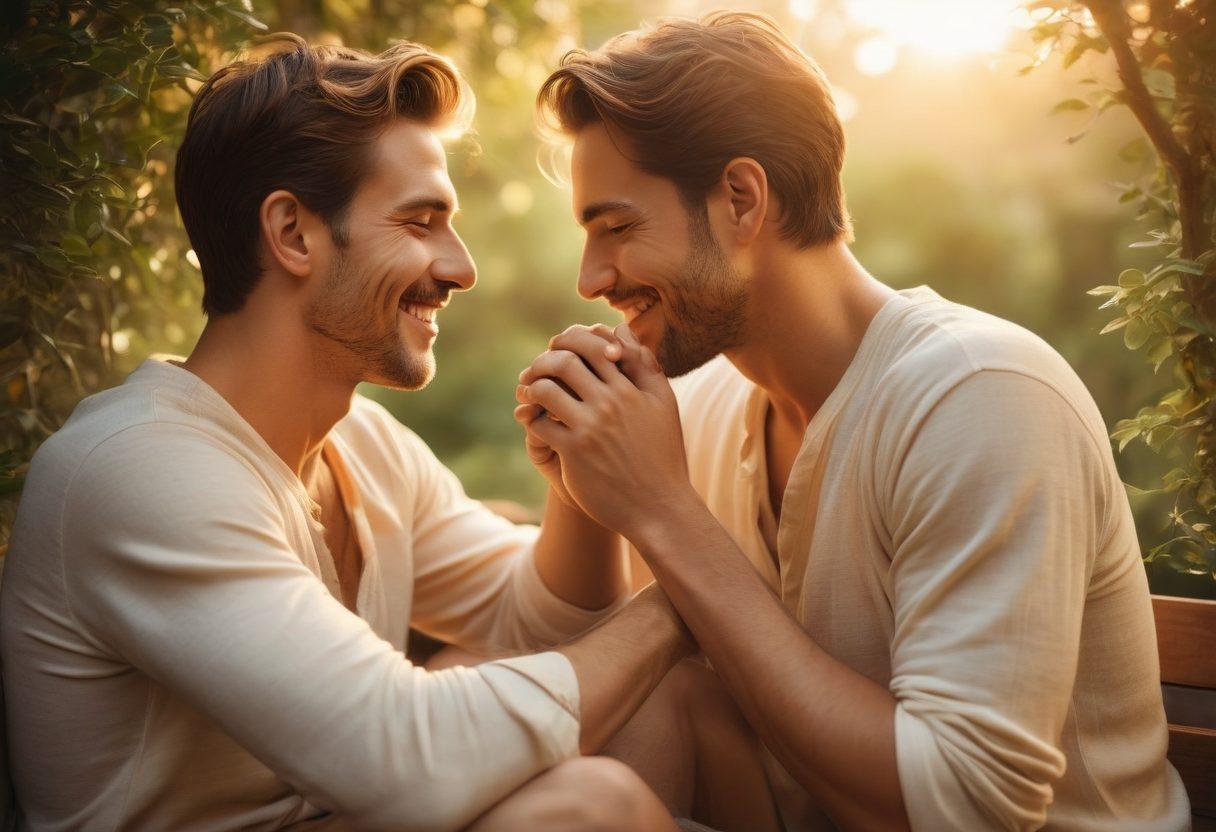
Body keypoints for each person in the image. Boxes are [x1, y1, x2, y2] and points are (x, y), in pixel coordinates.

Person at [0, 35, 700, 832]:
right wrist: (694, 585)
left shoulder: (362, 444)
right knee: (587, 803)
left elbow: (545, 623)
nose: (462, 267)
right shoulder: (139, 470)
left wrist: (574, 487)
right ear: (293, 234)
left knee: (636, 693)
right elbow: (413, 767)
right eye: (422, 221)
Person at [517, 11, 1191, 831]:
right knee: (641, 707)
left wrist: (664, 512)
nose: (591, 278)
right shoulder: (696, 408)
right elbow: (569, 668)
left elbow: (967, 808)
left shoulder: (980, 397)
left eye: (617, 228)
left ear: (740, 198)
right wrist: (581, 492)